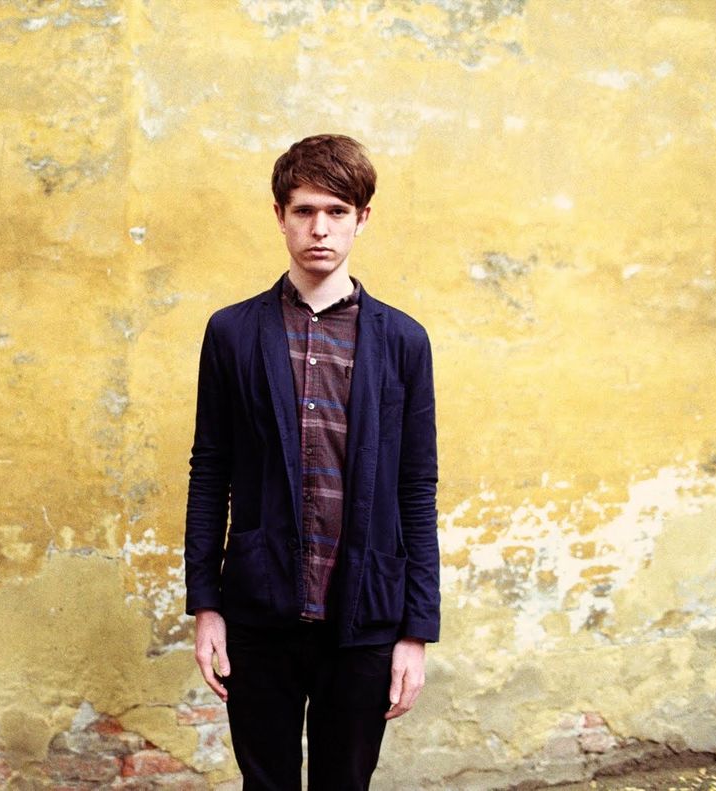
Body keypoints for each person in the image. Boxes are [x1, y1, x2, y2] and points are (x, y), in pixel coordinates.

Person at [184, 134, 440, 790]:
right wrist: (206, 605)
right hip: (259, 609)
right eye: (303, 211)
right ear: (280, 215)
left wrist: (415, 631)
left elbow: (416, 486)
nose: (319, 228)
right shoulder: (233, 332)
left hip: (365, 613)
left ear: (362, 218)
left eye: (336, 211)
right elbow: (210, 470)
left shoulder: (403, 341)